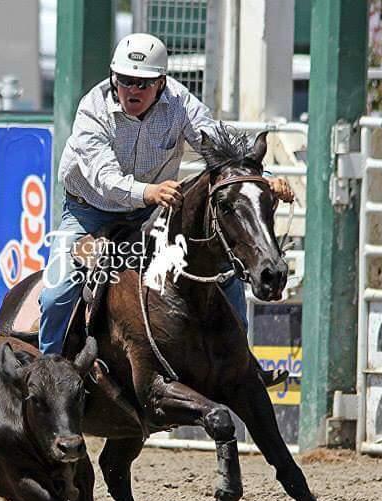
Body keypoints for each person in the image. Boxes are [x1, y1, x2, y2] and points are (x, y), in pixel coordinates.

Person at [40, 33, 294, 385]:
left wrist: (260, 180)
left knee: (224, 271)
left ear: (161, 83)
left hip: (150, 212)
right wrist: (149, 192)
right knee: (56, 293)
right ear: (114, 78)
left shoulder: (180, 102)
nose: (133, 89)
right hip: (90, 213)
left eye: (143, 83)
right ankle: (47, 371)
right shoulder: (92, 110)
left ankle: (242, 365)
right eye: (125, 79)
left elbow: (219, 145)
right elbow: (103, 178)